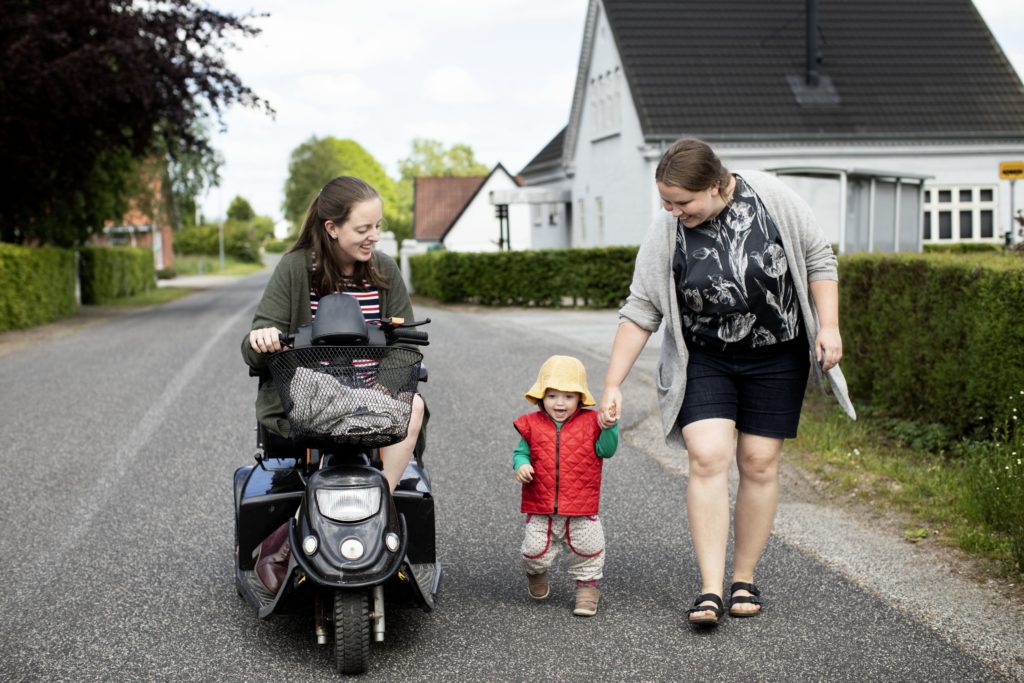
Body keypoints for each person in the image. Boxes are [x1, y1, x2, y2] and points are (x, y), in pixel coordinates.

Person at [599, 138, 855, 627]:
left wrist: (830, 326)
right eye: (665, 201)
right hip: (705, 359)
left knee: (758, 462)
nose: (673, 212)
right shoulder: (667, 230)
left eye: (682, 202)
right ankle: (710, 589)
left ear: (715, 186)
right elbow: (642, 307)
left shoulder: (773, 199)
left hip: (776, 356)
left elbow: (819, 259)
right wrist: (613, 383)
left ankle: (744, 578)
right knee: (708, 455)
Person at [242, 176, 426, 493]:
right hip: (313, 396)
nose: (374, 237)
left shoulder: (384, 269)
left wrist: (384, 387)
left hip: (374, 394)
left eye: (377, 226)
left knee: (415, 406)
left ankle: (381, 498)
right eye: (363, 229)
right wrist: (263, 338)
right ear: (332, 228)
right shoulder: (294, 268)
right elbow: (253, 348)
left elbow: (406, 341)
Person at [513, 355, 619, 617]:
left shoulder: (592, 422)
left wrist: (609, 427)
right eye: (552, 396)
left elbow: (607, 450)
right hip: (541, 504)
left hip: (581, 505)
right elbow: (521, 452)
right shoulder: (531, 424)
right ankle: (536, 572)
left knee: (589, 549)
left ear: (580, 398)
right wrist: (521, 465)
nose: (559, 403)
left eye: (568, 396)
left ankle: (587, 590)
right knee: (533, 550)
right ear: (541, 397)